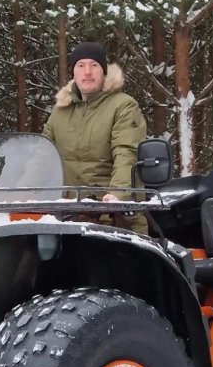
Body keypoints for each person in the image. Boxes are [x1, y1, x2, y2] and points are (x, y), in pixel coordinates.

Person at [43, 41, 147, 228]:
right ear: (73, 73)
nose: (88, 72)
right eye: (81, 65)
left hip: (111, 215)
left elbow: (126, 154)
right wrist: (24, 194)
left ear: (104, 71)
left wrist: (116, 196)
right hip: (66, 214)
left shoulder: (123, 106)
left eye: (94, 65)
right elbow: (41, 156)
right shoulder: (60, 112)